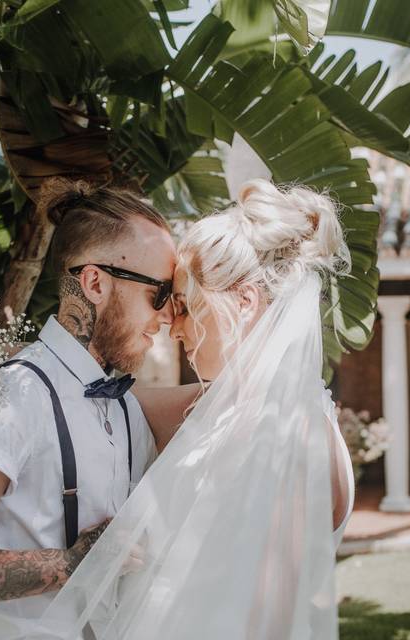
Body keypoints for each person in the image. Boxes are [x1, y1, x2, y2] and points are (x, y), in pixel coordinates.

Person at [35, 179, 356, 639]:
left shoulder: (294, 437)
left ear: (243, 302)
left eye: (184, 306)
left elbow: (274, 615)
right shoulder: (215, 409)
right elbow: (84, 402)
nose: (171, 326)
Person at [0, 179, 202, 639]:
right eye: (159, 294)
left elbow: (224, 401)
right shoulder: (21, 394)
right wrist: (71, 563)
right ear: (95, 282)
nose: (167, 317)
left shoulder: (121, 402)